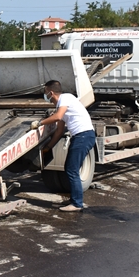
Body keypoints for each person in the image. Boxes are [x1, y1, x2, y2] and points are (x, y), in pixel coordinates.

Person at [40, 79, 97, 212]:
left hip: (83, 136)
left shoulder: (65, 98)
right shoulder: (63, 104)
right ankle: (76, 200)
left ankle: (77, 203)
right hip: (81, 136)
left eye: (45, 93)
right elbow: (59, 131)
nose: (45, 96)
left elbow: (58, 117)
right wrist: (49, 146)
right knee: (70, 168)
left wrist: (40, 123)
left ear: (51, 92)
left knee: (72, 169)